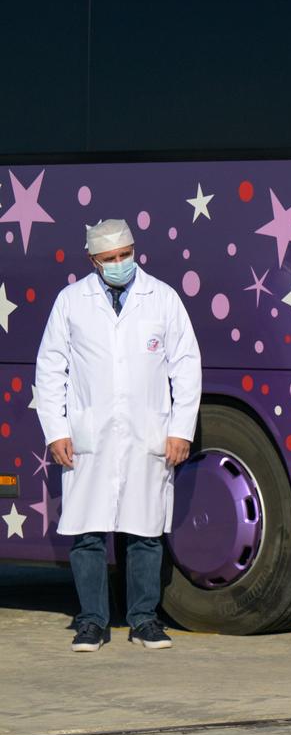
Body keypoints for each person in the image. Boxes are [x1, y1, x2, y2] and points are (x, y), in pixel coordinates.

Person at [35, 219, 202, 652]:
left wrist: (180, 430)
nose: (119, 264)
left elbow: (186, 367)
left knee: (145, 532)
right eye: (108, 259)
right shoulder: (72, 302)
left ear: (134, 249)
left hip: (147, 434)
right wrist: (56, 430)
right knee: (87, 533)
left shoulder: (162, 299)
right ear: (92, 261)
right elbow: (50, 368)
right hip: (89, 436)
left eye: (124, 255)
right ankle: (91, 621)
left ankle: (144, 619)